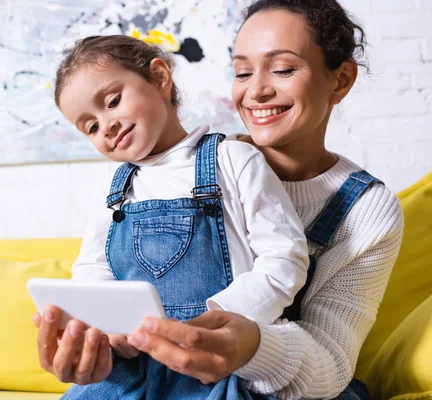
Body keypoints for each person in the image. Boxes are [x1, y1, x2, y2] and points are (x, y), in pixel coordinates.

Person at [34, 0, 405, 399]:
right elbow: (94, 269)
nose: (257, 90)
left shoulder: (353, 205)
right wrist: (98, 329)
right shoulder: (122, 185)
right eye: (242, 71)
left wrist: (236, 336)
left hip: (244, 374)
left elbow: (328, 360)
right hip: (146, 363)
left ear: (341, 79)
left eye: (282, 69)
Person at [35, 32, 312, 398]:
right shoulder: (113, 191)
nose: (107, 126)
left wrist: (220, 319)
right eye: (91, 127)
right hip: (135, 364)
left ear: (160, 78)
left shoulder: (233, 160)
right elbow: (92, 269)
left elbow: (284, 258)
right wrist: (108, 324)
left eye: (113, 101)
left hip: (218, 361)